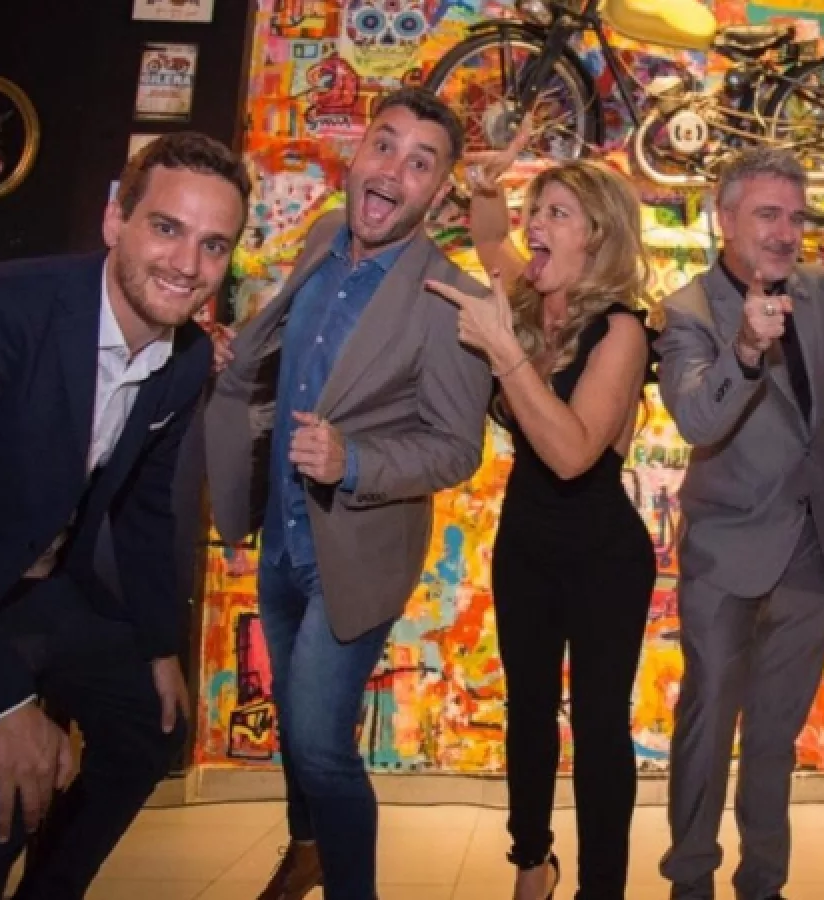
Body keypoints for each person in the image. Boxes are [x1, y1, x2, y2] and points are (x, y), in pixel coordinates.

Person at [0, 132, 250, 899]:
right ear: (115, 220)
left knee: (155, 725)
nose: (187, 264)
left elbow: (143, 507)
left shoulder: (182, 363)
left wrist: (158, 644)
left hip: (36, 589)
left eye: (214, 245)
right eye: (166, 228)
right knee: (4, 790)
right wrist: (2, 702)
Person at [204, 87, 493, 900]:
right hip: (281, 539)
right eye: (385, 145)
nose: (394, 170)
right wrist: (237, 355)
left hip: (357, 555)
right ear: (358, 152)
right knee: (296, 731)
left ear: (439, 191)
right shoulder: (324, 237)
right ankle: (307, 849)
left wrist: (353, 459)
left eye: (421, 162)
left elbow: (456, 448)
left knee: (321, 745)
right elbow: (293, 363)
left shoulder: (454, 300)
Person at [426, 137, 658, 900]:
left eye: (557, 213)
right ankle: (532, 863)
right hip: (525, 542)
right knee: (526, 709)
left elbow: (571, 452)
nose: (535, 226)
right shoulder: (529, 300)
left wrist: (505, 355)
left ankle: (601, 890)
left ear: (599, 234)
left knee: (597, 724)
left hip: (604, 555)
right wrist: (487, 187)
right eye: (537, 211)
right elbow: (490, 237)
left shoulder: (621, 330)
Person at [653, 147, 824, 900]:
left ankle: (763, 884)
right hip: (726, 552)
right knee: (707, 724)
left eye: (796, 216)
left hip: (813, 549)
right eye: (768, 215)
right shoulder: (687, 311)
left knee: (776, 736)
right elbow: (696, 419)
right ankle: (690, 880)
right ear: (725, 218)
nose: (786, 232)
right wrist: (747, 347)